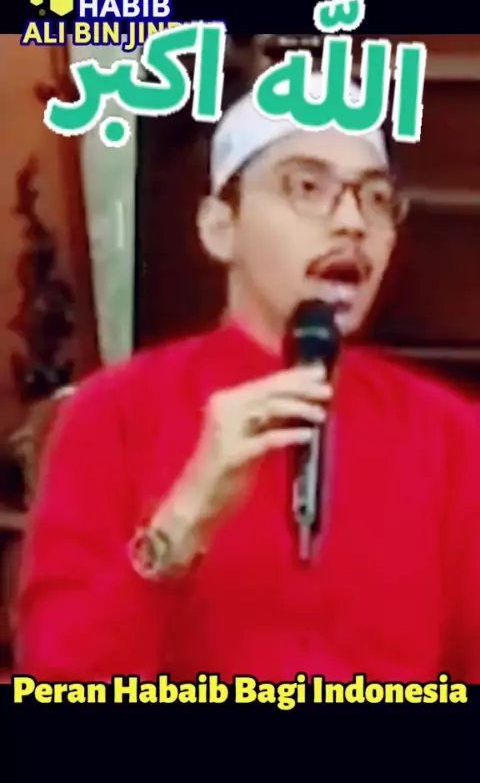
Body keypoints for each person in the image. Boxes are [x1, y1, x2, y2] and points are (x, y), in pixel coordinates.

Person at [14, 73, 480, 684]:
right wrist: (183, 522)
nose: (352, 222)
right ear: (220, 228)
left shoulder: (448, 432)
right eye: (308, 187)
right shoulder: (112, 413)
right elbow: (59, 683)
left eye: (374, 199)